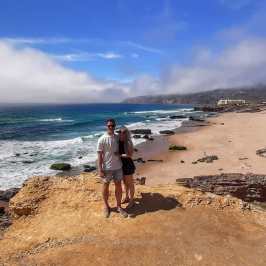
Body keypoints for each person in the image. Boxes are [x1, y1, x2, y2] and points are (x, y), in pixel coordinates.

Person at [97, 118, 128, 218]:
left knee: (118, 187)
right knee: (105, 187)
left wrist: (124, 131)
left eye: (112, 126)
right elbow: (99, 156)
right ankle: (106, 206)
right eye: (109, 126)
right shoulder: (102, 139)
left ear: (115, 126)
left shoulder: (117, 137)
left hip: (118, 167)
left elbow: (125, 142)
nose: (111, 127)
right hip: (107, 168)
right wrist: (100, 169)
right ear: (106, 126)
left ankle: (118, 206)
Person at [119, 126, 136, 209]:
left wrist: (120, 155)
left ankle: (132, 201)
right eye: (120, 132)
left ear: (127, 133)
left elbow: (130, 155)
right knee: (125, 183)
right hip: (121, 165)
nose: (122, 133)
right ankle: (126, 197)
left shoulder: (128, 142)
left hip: (128, 165)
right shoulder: (118, 141)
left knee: (130, 184)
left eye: (124, 132)